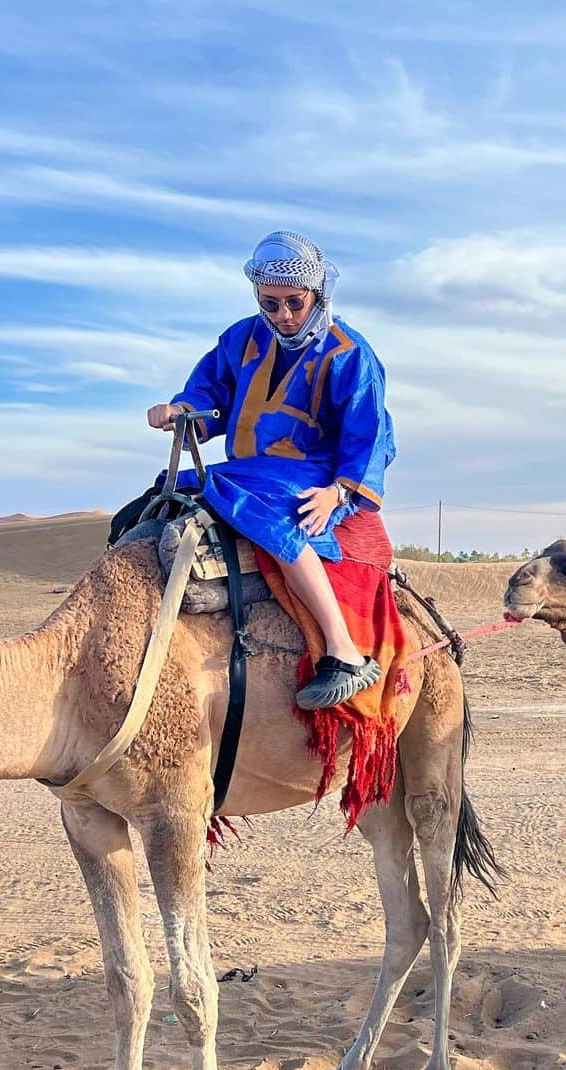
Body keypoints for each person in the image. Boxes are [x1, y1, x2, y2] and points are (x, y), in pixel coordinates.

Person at [146, 230, 395, 710]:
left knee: (274, 519)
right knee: (162, 496)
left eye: (294, 303)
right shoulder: (242, 338)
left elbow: (368, 437)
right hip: (250, 469)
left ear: (318, 295)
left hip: (314, 473)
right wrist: (180, 412)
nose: (282, 316)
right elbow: (209, 394)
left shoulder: (351, 355)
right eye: (270, 304)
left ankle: (343, 652)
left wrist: (338, 494)